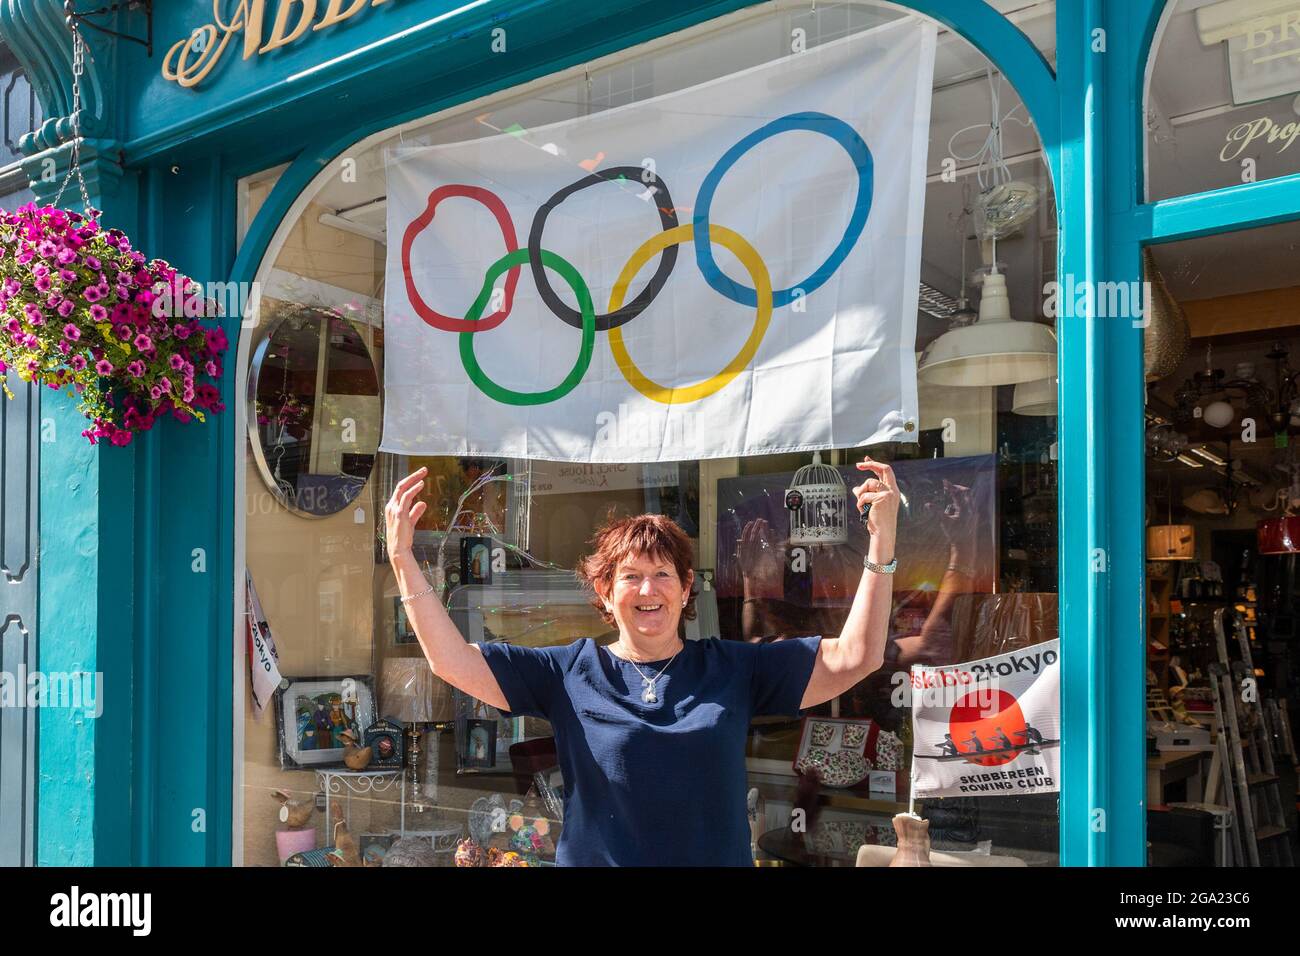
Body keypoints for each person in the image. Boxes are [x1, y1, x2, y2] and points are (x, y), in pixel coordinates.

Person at [384, 454, 900, 866]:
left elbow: (858, 656)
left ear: (685, 590)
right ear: (606, 593)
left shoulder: (734, 669)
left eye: (663, 575)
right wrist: (403, 559)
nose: (647, 589)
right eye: (630, 576)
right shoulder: (568, 672)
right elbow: (452, 661)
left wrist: (882, 540)